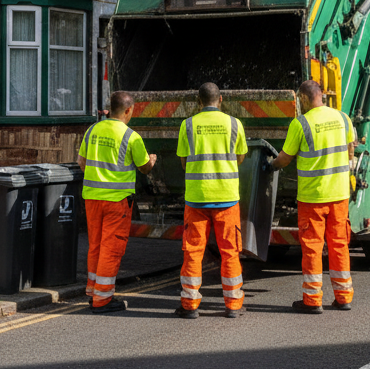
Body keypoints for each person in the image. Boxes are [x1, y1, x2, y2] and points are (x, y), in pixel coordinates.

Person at [267, 80, 355, 314]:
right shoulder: (343, 118)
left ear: (304, 99)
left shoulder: (301, 123)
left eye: (299, 101)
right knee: (339, 245)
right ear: (322, 96)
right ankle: (344, 297)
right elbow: (350, 149)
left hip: (313, 198)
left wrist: (271, 165)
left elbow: (285, 157)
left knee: (313, 248)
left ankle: (313, 300)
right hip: (339, 195)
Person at [75, 91, 157, 313]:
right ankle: (103, 300)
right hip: (117, 202)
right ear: (129, 110)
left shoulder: (92, 130)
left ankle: (93, 292)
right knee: (111, 249)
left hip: (92, 198)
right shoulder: (132, 137)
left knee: (96, 246)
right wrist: (152, 161)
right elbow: (143, 168)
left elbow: (82, 163)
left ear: (110, 108)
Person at [175, 83, 249, 319]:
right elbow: (240, 157)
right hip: (227, 198)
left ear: (198, 101)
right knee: (230, 252)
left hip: (196, 198)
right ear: (221, 100)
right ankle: (233, 306)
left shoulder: (187, 125)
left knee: (193, 252)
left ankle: (189, 306)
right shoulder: (235, 124)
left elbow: (184, 162)